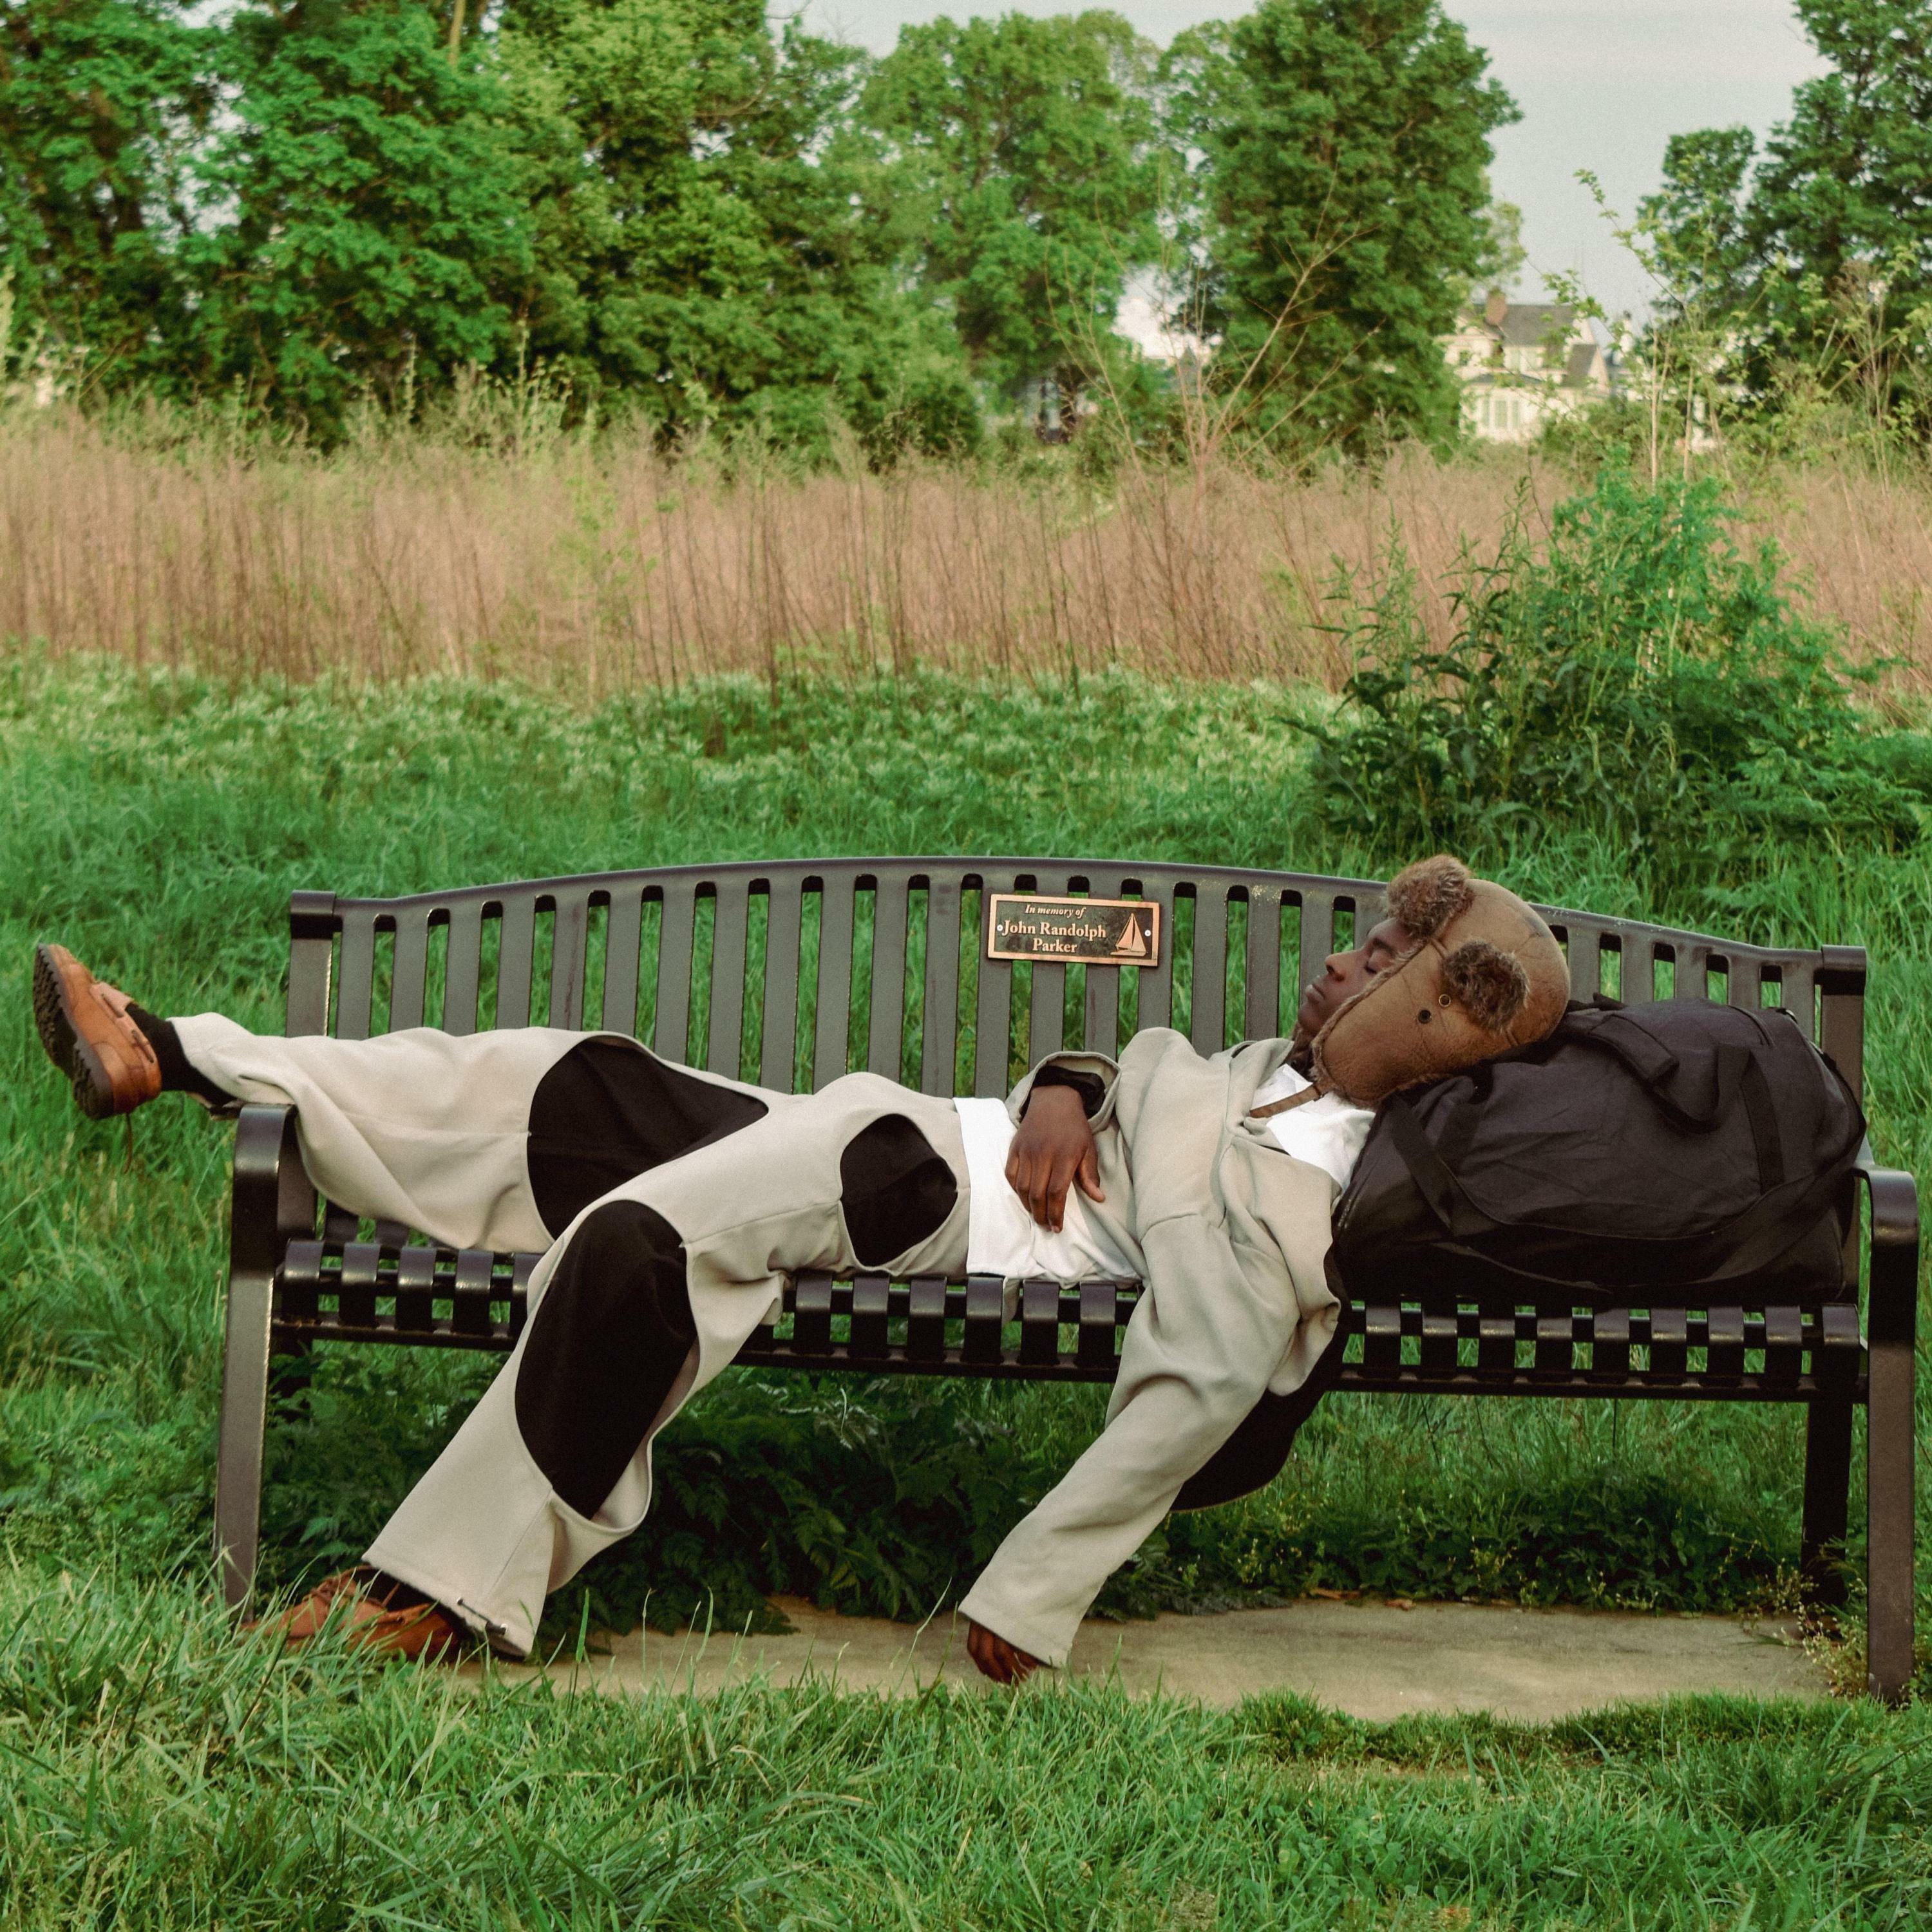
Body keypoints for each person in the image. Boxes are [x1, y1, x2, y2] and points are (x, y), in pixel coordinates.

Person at [33, 855, 1568, 1681]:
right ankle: (173, 1050)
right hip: (892, 1129)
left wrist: (1032, 1596)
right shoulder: (1272, 1088)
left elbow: (1208, 1378)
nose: (1340, 960)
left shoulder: (1301, 1191)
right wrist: (1071, 1077)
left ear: (1432, 1019)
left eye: (1378, 963)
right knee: (563, 1084)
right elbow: (1152, 1081)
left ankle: (431, 1594)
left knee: (638, 1246)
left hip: (911, 1190)